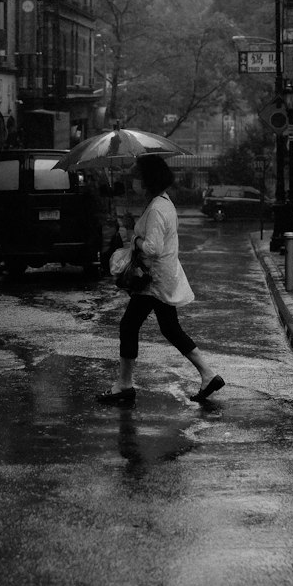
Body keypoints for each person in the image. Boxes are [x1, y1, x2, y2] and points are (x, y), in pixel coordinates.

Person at [97, 154, 224, 407]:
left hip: (153, 281)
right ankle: (208, 375)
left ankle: (125, 385)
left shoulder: (156, 208)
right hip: (160, 278)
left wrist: (134, 238)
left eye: (137, 177)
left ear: (147, 180)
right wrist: (135, 226)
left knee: (129, 326)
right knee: (167, 328)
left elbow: (152, 248)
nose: (134, 182)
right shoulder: (163, 202)